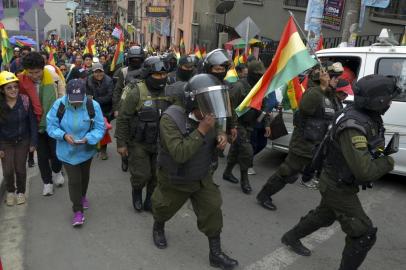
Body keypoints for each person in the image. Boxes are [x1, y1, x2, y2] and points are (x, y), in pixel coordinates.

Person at [280, 75, 400, 270]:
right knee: (363, 233)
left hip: (337, 180)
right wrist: (388, 162)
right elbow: (365, 172)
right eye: (389, 99)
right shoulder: (353, 125)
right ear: (378, 101)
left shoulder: (364, 115)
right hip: (337, 185)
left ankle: (291, 237)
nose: (390, 103)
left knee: (324, 216)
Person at [151, 73, 238, 269]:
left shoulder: (209, 116)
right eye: (206, 104)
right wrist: (201, 130)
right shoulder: (170, 119)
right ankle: (158, 226)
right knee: (163, 208)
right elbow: (179, 153)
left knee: (213, 209)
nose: (211, 111)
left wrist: (221, 136)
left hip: (201, 175)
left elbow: (217, 130)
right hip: (176, 177)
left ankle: (215, 254)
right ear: (192, 102)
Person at [256, 62, 343, 210]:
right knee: (287, 171)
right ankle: (264, 195)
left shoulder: (329, 96)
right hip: (303, 142)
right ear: (324, 77)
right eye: (334, 77)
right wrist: (322, 87)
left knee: (297, 173)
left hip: (317, 143)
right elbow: (305, 108)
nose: (337, 80)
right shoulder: (314, 92)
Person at [46, 79, 105, 227]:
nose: (76, 103)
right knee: (74, 180)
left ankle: (82, 196)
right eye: (73, 100)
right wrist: (64, 135)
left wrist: (89, 138)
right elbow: (51, 126)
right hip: (67, 151)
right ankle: (78, 211)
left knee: (84, 177)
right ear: (67, 95)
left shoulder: (93, 105)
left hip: (86, 149)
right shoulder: (59, 105)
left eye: (79, 100)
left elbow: (99, 127)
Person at [115, 56, 170, 212]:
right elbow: (123, 118)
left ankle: (149, 201)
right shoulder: (136, 91)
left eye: (163, 75)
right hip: (139, 142)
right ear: (147, 74)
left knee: (156, 176)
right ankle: (137, 193)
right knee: (141, 175)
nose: (161, 78)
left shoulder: (169, 91)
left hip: (161, 142)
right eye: (157, 75)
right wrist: (121, 143)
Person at [18, 52, 65, 196]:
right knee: (43, 156)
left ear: (42, 68)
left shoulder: (55, 78)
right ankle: (47, 182)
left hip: (54, 122)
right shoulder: (20, 81)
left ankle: (57, 171)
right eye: (30, 72)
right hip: (34, 125)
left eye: (37, 72)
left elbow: (63, 99)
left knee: (57, 154)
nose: (33, 75)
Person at [222, 60, 271, 194]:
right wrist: (232, 126)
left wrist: (266, 124)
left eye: (261, 74)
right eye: (257, 74)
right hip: (238, 124)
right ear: (250, 73)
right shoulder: (239, 86)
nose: (260, 76)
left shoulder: (259, 87)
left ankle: (227, 173)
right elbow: (229, 107)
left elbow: (264, 106)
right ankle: (245, 180)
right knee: (247, 151)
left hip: (251, 125)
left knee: (236, 150)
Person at [0, 71, 37, 206]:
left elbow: (32, 122)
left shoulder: (25, 100)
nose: (13, 90)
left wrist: (33, 141)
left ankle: (21, 192)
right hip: (5, 142)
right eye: (9, 87)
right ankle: (10, 191)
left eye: (15, 86)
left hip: (23, 140)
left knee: (20, 168)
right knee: (8, 170)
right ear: (2, 90)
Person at [86, 63, 114, 160]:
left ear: (103, 71)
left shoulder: (109, 81)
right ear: (93, 72)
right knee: (91, 128)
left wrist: (95, 100)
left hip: (106, 109)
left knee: (103, 130)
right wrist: (92, 100)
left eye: (100, 72)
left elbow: (109, 96)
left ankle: (103, 150)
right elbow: (88, 94)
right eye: (96, 72)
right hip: (92, 109)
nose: (98, 74)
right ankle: (94, 147)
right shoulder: (88, 80)